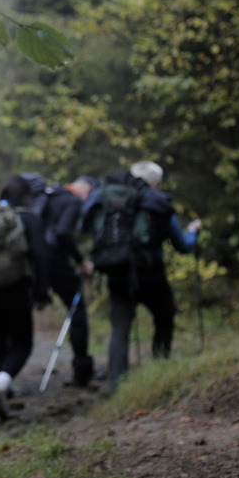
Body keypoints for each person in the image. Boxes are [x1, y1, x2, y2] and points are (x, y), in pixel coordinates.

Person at [84, 161, 202, 390]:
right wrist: (193, 233)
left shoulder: (108, 200)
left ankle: (117, 385)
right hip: (151, 274)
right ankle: (160, 369)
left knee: (120, 329)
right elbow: (183, 246)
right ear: (155, 182)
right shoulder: (156, 202)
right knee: (164, 318)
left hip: (116, 273)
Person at [0, 174, 48, 422]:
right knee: (22, 343)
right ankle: (1, 385)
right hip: (13, 290)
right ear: (26, 196)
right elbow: (40, 256)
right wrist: (41, 292)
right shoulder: (28, 219)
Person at [21, 173, 97, 387]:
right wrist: (81, 262)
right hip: (55, 262)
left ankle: (3, 372)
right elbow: (63, 232)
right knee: (77, 311)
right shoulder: (71, 201)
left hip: (33, 262)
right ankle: (82, 372)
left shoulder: (48, 195)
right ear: (86, 190)